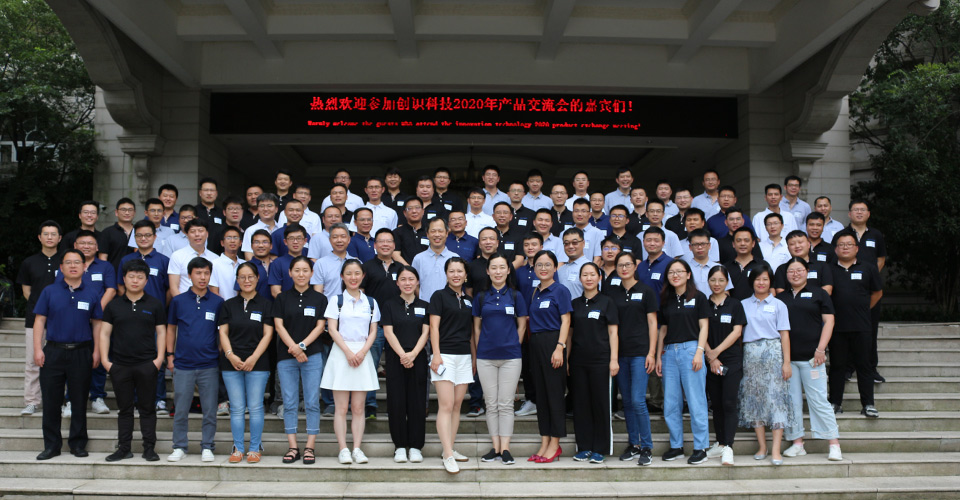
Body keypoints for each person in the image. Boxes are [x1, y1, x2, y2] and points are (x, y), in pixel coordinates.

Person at [33, 249, 103, 461]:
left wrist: (97, 351)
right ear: (61, 267)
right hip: (53, 352)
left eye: (77, 262)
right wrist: (37, 348)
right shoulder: (49, 291)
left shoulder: (92, 292)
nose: (73, 266)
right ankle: (51, 446)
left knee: (80, 400)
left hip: (81, 352)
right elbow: (39, 321)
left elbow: (97, 324)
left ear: (84, 266)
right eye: (68, 262)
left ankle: (78, 444)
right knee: (51, 401)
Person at [776, 258, 843, 461]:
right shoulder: (780, 298)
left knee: (819, 400)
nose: (795, 274)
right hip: (788, 360)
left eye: (799, 270)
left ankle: (833, 443)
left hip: (813, 358)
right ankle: (797, 443)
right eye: (791, 271)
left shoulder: (819, 293)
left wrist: (821, 349)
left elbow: (829, 321)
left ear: (807, 272)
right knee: (792, 402)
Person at [99, 259, 166, 462]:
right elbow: (104, 334)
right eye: (131, 276)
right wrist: (105, 361)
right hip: (120, 365)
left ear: (146, 280)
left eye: (139, 277)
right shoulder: (114, 305)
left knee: (147, 409)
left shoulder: (155, 304)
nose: (135, 280)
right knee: (124, 410)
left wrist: (159, 359)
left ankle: (149, 448)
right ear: (124, 278)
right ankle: (124, 448)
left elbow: (161, 332)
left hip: (147, 364)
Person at [321, 259, 381, 465]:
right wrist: (347, 352)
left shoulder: (371, 302)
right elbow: (332, 329)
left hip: (362, 354)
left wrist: (362, 352)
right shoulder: (336, 301)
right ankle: (343, 449)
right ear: (342, 276)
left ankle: (356, 448)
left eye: (357, 273)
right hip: (341, 354)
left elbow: (373, 331)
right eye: (349, 273)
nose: (353, 277)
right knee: (340, 408)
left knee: (358, 407)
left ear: (363, 276)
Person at [166, 257, 224, 462]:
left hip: (209, 364)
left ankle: (207, 446)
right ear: (190, 275)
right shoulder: (178, 301)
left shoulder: (218, 302)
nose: (202, 277)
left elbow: (222, 332)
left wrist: (217, 351)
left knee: (209, 410)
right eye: (198, 273)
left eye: (206, 273)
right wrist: (170, 355)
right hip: (183, 364)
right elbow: (171, 329)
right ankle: (179, 446)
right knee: (181, 409)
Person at [472, 253, 528, 466]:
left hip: (510, 358)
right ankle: (495, 447)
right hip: (486, 357)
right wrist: (480, 350)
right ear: (487, 271)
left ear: (508, 270)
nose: (498, 271)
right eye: (493, 267)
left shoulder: (516, 296)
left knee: (505, 404)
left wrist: (514, 344)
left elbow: (522, 325)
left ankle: (505, 448)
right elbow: (476, 328)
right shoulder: (481, 297)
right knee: (491, 403)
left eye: (502, 267)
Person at [273, 256, 328, 464]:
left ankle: (310, 447)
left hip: (312, 355)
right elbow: (279, 326)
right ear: (290, 273)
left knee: (312, 402)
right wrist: (294, 349)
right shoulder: (282, 298)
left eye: (305, 270)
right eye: (297, 270)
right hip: (286, 356)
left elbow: (320, 326)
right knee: (289, 402)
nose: (301, 274)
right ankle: (293, 446)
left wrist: (302, 346)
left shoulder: (320, 299)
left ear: (312, 273)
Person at [604, 252, 658, 465]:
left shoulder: (646, 291)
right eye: (620, 265)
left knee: (637, 400)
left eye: (628, 264)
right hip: (620, 354)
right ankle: (634, 444)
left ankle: (647, 446)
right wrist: (613, 356)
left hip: (640, 353)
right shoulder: (612, 294)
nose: (624, 268)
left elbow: (653, 323)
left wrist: (651, 353)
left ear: (635, 266)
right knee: (626, 401)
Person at [656, 258, 710, 465]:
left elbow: (704, 327)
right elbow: (663, 329)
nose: (675, 275)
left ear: (688, 275)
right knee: (671, 403)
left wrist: (699, 352)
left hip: (691, 350)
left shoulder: (698, 297)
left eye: (679, 271)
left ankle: (700, 447)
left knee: (696, 401)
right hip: (669, 353)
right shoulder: (666, 300)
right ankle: (676, 446)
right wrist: (659, 355)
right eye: (671, 272)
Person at [218, 262, 273, 464]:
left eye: (251, 277)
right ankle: (238, 448)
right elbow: (223, 332)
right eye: (242, 277)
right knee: (237, 408)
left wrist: (254, 358)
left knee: (256, 407)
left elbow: (268, 334)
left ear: (257, 278)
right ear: (237, 280)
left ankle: (255, 448)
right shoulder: (228, 305)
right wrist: (230, 355)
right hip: (231, 363)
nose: (247, 280)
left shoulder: (266, 304)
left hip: (258, 362)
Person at [738, 262, 793, 466]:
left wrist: (786, 362)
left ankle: (776, 449)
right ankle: (762, 446)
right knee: (755, 400)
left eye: (765, 279)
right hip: (750, 355)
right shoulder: (743, 304)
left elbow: (784, 335)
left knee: (776, 400)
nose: (761, 283)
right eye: (757, 279)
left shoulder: (779, 305)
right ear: (752, 282)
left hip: (773, 355)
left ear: (770, 282)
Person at [117, 220, 171, 412]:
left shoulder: (163, 260)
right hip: (130, 318)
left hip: (155, 318)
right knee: (131, 359)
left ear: (155, 237)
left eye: (148, 235)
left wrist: (159, 308)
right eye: (139, 235)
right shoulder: (126, 260)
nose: (143, 238)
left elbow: (168, 289)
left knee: (156, 359)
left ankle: (159, 399)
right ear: (134, 238)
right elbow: (120, 286)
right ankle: (133, 400)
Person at [428, 258, 474, 474]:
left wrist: (473, 358)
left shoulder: (469, 300)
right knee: (445, 405)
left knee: (456, 405)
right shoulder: (438, 296)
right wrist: (436, 355)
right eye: (452, 271)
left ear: (465, 275)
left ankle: (450, 448)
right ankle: (447, 454)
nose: (456, 275)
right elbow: (434, 328)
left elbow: (472, 332)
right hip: (444, 356)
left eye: (459, 271)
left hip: (464, 356)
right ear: (446, 274)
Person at [569, 263, 619, 464]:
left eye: (592, 274)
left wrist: (613, 359)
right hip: (578, 361)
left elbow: (613, 333)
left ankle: (600, 448)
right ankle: (584, 447)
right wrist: (567, 359)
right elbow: (570, 334)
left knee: (600, 404)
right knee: (581, 404)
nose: (588, 278)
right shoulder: (575, 304)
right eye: (585, 275)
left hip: (601, 361)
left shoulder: (607, 302)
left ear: (599, 278)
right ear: (580, 278)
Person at [828, 231, 882, 418]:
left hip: (862, 326)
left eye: (849, 244)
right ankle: (835, 403)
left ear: (856, 248)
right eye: (841, 245)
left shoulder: (868, 268)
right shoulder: (829, 269)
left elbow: (877, 292)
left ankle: (868, 404)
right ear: (836, 249)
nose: (845, 248)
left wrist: (864, 309)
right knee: (837, 366)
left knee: (864, 366)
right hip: (837, 327)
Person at [526, 250, 572, 463]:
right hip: (536, 344)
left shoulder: (560, 290)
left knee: (554, 395)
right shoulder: (534, 291)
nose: (543, 268)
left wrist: (560, 347)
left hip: (553, 343)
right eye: (539, 265)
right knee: (541, 397)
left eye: (547, 264)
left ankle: (555, 443)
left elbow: (566, 320)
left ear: (555, 267)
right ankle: (544, 441)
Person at [382, 266, 430, 464]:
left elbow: (426, 332)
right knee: (396, 402)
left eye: (411, 279)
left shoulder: (425, 305)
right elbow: (388, 332)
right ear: (397, 283)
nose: (407, 283)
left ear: (417, 282)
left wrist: (413, 354)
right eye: (403, 279)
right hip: (396, 358)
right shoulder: (389, 305)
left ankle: (416, 446)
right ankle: (400, 446)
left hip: (418, 358)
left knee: (417, 402)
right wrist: (403, 355)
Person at [17, 221, 62, 416]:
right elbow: (26, 291)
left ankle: (62, 401)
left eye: (53, 234)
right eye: (46, 234)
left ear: (60, 238)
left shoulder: (67, 260)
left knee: (61, 362)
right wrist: (42, 309)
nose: (49, 237)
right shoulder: (29, 262)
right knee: (33, 361)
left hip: (62, 320)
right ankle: (32, 401)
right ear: (39, 237)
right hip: (35, 319)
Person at [702, 266, 745, 466]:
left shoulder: (735, 304)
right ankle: (719, 443)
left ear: (727, 282)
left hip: (731, 360)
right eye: (713, 280)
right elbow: (699, 330)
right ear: (708, 282)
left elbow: (737, 332)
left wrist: (716, 352)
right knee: (717, 404)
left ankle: (728, 446)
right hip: (710, 362)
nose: (716, 284)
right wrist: (711, 357)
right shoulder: (704, 304)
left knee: (729, 403)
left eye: (721, 280)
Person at [360, 228, 405, 417]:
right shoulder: (367, 267)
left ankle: (397, 404)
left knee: (397, 367)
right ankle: (370, 404)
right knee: (370, 365)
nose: (385, 244)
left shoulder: (401, 268)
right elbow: (361, 294)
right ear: (375, 245)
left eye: (389, 241)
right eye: (381, 241)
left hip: (398, 326)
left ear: (394, 245)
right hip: (375, 325)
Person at [843, 200, 887, 383]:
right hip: (846, 290)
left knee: (870, 330)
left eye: (863, 210)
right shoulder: (842, 235)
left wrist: (870, 277)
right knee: (845, 330)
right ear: (849, 214)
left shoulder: (876, 235)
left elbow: (881, 259)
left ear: (868, 214)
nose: (859, 213)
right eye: (856, 210)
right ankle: (847, 367)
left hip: (869, 290)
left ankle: (870, 368)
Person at [773, 230, 834, 295]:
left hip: (818, 301)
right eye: (792, 244)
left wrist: (810, 299)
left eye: (800, 242)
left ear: (808, 244)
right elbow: (780, 292)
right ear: (788, 248)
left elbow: (827, 289)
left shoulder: (822, 266)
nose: (797, 246)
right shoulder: (782, 269)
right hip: (791, 301)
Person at [412, 217, 458, 301]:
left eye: (440, 231)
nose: (437, 234)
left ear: (446, 233)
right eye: (433, 231)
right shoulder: (418, 258)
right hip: (425, 306)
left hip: (449, 306)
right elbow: (414, 284)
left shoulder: (455, 258)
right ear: (427, 234)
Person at [168, 219, 219, 296]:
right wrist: (182, 302)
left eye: (201, 231)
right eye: (192, 231)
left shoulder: (215, 258)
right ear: (187, 235)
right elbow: (174, 288)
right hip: (184, 300)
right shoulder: (177, 256)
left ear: (207, 234)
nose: (197, 234)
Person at [268, 224, 309, 297]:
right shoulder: (277, 263)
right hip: (285, 303)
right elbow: (275, 291)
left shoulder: (310, 263)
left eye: (299, 238)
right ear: (285, 242)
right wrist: (290, 303)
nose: (295, 242)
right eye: (291, 238)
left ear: (305, 241)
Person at [725, 227, 765, 300]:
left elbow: (770, 290)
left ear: (753, 243)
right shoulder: (726, 267)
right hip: (733, 306)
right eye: (738, 240)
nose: (742, 243)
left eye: (746, 240)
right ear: (733, 244)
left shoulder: (763, 265)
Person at [209, 226, 245, 301]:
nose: (232, 241)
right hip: (222, 306)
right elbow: (214, 292)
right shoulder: (214, 264)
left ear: (240, 243)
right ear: (222, 243)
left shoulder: (245, 264)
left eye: (235, 238)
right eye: (228, 238)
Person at [98, 198, 136, 269]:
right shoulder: (107, 232)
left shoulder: (139, 232)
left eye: (130, 210)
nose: (127, 213)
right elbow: (103, 258)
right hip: (113, 274)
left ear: (134, 213)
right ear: (116, 212)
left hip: (136, 273)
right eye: (123, 210)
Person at [241, 193, 280, 261]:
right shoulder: (251, 230)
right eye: (262, 206)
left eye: (269, 206)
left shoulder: (281, 230)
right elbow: (249, 257)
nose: (265, 209)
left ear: (276, 209)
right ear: (258, 209)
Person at [393, 198, 428, 265]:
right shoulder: (397, 232)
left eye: (417, 208)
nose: (414, 211)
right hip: (405, 270)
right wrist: (409, 269)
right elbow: (395, 254)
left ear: (423, 211)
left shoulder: (429, 231)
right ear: (404, 213)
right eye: (410, 208)